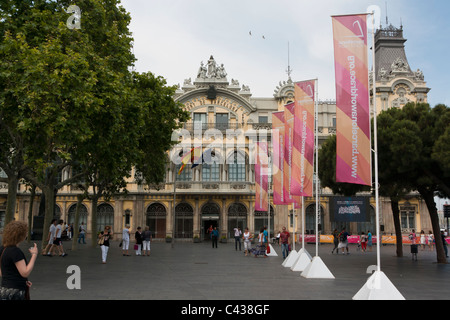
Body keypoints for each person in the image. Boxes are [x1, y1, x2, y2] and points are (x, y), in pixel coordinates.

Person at [0, 221, 38, 300]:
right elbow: (25, 272)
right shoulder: (15, 251)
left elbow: (2, 272)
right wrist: (34, 255)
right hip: (16, 291)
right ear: (21, 236)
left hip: (4, 290)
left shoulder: (3, 249)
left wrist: (23, 281)